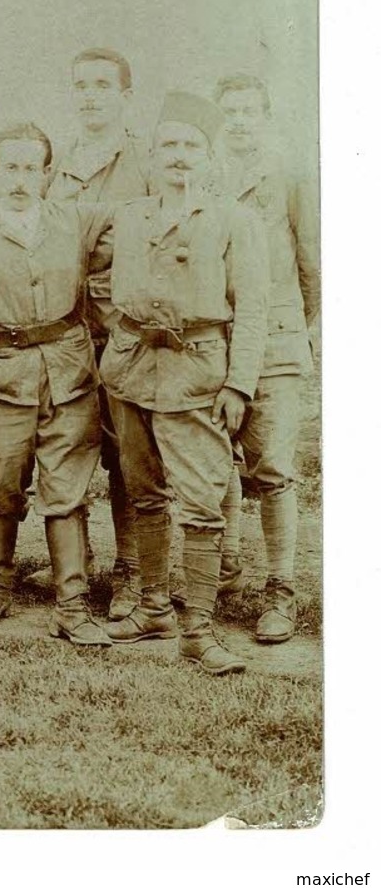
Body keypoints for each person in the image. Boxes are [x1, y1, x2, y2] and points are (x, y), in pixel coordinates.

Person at [101, 91, 269, 674]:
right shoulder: (129, 216)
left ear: (209, 156)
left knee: (201, 505)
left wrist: (239, 385)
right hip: (129, 371)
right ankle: (153, 607)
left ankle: (198, 629)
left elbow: (251, 309)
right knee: (144, 492)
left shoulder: (236, 221)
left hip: (196, 374)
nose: (179, 156)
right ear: (152, 155)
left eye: (190, 146)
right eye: (168, 144)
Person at [0, 122, 113, 646]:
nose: (18, 179)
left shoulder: (75, 221)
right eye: (8, 167)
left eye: (30, 168)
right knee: (1, 484)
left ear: (47, 173)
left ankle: (72, 604)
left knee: (67, 492)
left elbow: (132, 224)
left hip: (69, 376)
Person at [210, 73, 320, 643]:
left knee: (272, 468)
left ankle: (281, 591)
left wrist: (296, 329)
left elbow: (312, 264)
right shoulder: (206, 175)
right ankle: (226, 567)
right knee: (219, 456)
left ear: (265, 115)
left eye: (250, 111)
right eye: (229, 111)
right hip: (218, 337)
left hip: (275, 337)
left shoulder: (290, 174)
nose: (238, 121)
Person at [44, 48, 148, 619]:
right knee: (68, 442)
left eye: (103, 85)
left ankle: (131, 571)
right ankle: (74, 563)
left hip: (120, 330)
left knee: (126, 451)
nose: (90, 95)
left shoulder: (146, 161)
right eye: (80, 84)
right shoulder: (54, 164)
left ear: (125, 96)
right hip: (62, 329)